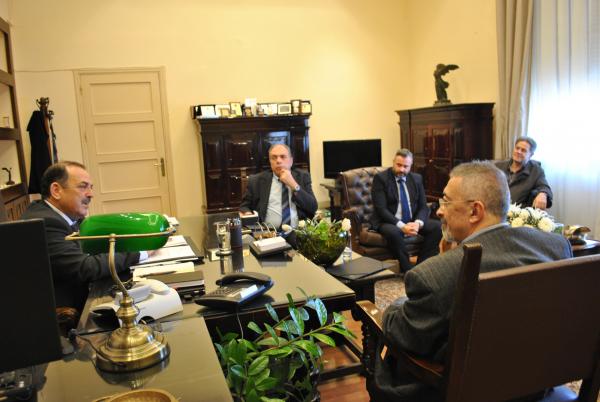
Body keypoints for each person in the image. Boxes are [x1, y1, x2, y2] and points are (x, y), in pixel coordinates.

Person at [374, 161, 572, 401]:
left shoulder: (436, 275)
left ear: (475, 211)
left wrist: (397, 304)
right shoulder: (556, 246)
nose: (439, 211)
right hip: (535, 387)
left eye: (446, 201)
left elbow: (404, 334)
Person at [21, 161, 146, 312]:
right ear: (56, 190)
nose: (90, 194)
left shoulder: (65, 216)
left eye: (91, 187)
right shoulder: (46, 222)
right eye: (83, 186)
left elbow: (97, 244)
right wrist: (140, 252)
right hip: (66, 312)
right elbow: (84, 268)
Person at [370, 149, 442, 273]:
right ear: (393, 162)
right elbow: (381, 209)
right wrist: (402, 226)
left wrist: (418, 223)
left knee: (437, 227)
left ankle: (421, 267)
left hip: (412, 220)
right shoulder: (381, 179)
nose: (402, 169)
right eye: (399, 165)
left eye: (405, 166)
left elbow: (423, 206)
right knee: (395, 233)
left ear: (411, 166)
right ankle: (407, 271)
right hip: (388, 221)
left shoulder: (416, 179)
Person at [240, 144, 317, 229]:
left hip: (298, 231)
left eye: (283, 157)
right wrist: (248, 215)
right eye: (274, 157)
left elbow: (313, 207)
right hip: (268, 233)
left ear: (291, 161)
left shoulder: (303, 176)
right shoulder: (256, 180)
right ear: (270, 161)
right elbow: (244, 206)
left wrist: (293, 184)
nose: (278, 161)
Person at [495, 136, 552, 209]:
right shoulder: (498, 166)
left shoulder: (536, 170)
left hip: (517, 212)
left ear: (531, 155)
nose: (519, 152)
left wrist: (543, 194)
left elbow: (544, 186)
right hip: (495, 209)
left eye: (523, 150)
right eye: (517, 148)